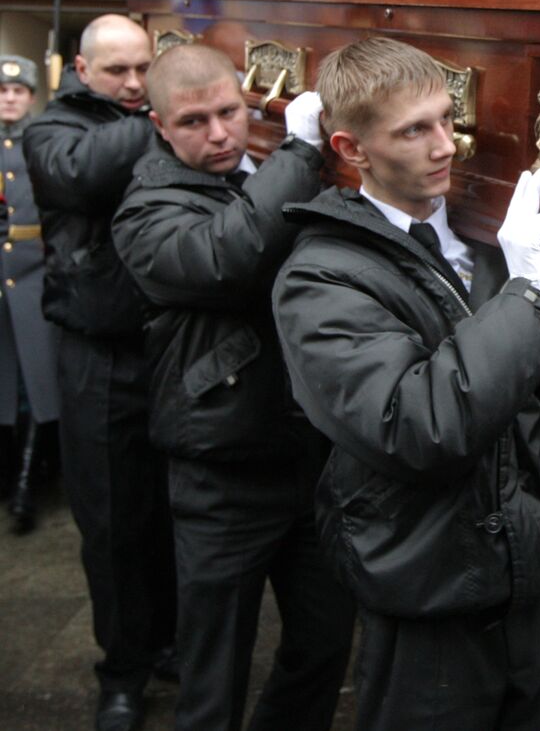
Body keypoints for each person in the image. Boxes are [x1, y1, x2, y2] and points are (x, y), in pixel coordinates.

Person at [271, 37, 540, 730]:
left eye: (449, 119)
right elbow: (419, 423)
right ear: (352, 148)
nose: (446, 145)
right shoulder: (321, 275)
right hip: (431, 593)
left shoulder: (488, 238)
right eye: (415, 130)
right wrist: (529, 290)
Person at [111, 45, 355, 731]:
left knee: (324, 644)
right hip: (220, 474)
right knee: (213, 670)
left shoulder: (266, 170)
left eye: (229, 111)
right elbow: (228, 254)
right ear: (159, 125)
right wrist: (300, 153)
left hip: (309, 458)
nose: (219, 133)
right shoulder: (145, 208)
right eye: (194, 121)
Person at [22, 14, 177, 731]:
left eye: (145, 67)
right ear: (83, 71)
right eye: (118, 71)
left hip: (169, 342)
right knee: (112, 520)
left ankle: (169, 641)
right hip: (97, 349)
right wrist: (171, 108)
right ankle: (122, 668)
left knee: (177, 509)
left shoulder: (152, 114)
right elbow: (80, 175)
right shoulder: (54, 128)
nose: (135, 82)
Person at [0, 55, 61, 534]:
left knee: (34, 386)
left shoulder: (43, 141)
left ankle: (25, 487)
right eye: (3, 91)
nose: (10, 98)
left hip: (36, 274)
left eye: (18, 92)